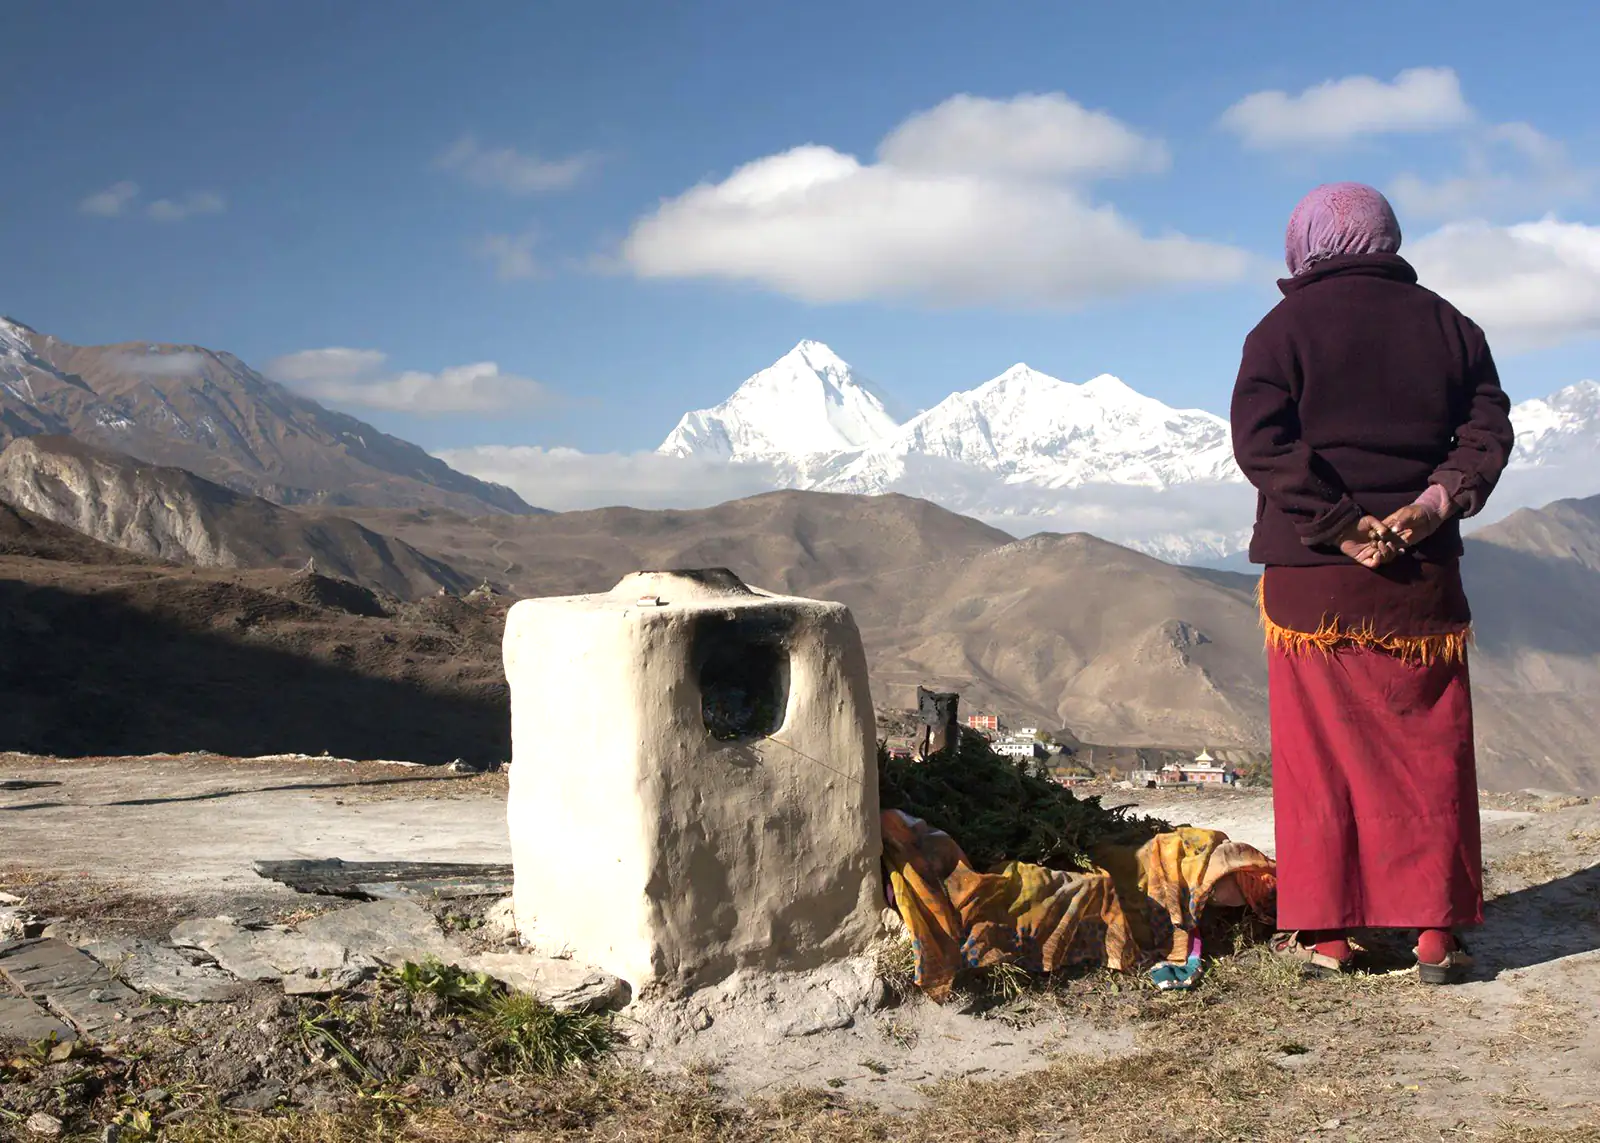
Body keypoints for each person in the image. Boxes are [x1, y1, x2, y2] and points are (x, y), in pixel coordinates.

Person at [1230, 182, 1514, 984]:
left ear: (1308, 243)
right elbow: (1488, 431)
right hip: (1418, 583)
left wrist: (1339, 523)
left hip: (1312, 581)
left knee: (1320, 755)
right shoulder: (1451, 327)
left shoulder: (1279, 331)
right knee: (1429, 749)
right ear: (1386, 241)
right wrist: (1431, 504)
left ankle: (1327, 933)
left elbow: (1260, 440)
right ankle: (1433, 931)